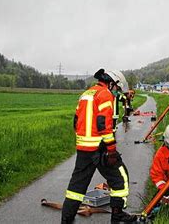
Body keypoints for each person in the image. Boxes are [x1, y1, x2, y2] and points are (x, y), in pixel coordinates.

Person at [61, 69, 137, 223]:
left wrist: (85, 140)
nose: (116, 91)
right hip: (99, 148)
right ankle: (117, 215)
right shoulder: (105, 94)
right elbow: (103, 124)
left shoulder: (86, 94)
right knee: (120, 178)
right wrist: (111, 150)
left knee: (75, 189)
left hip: (83, 149)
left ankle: (66, 220)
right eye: (116, 87)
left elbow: (76, 122)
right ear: (111, 83)